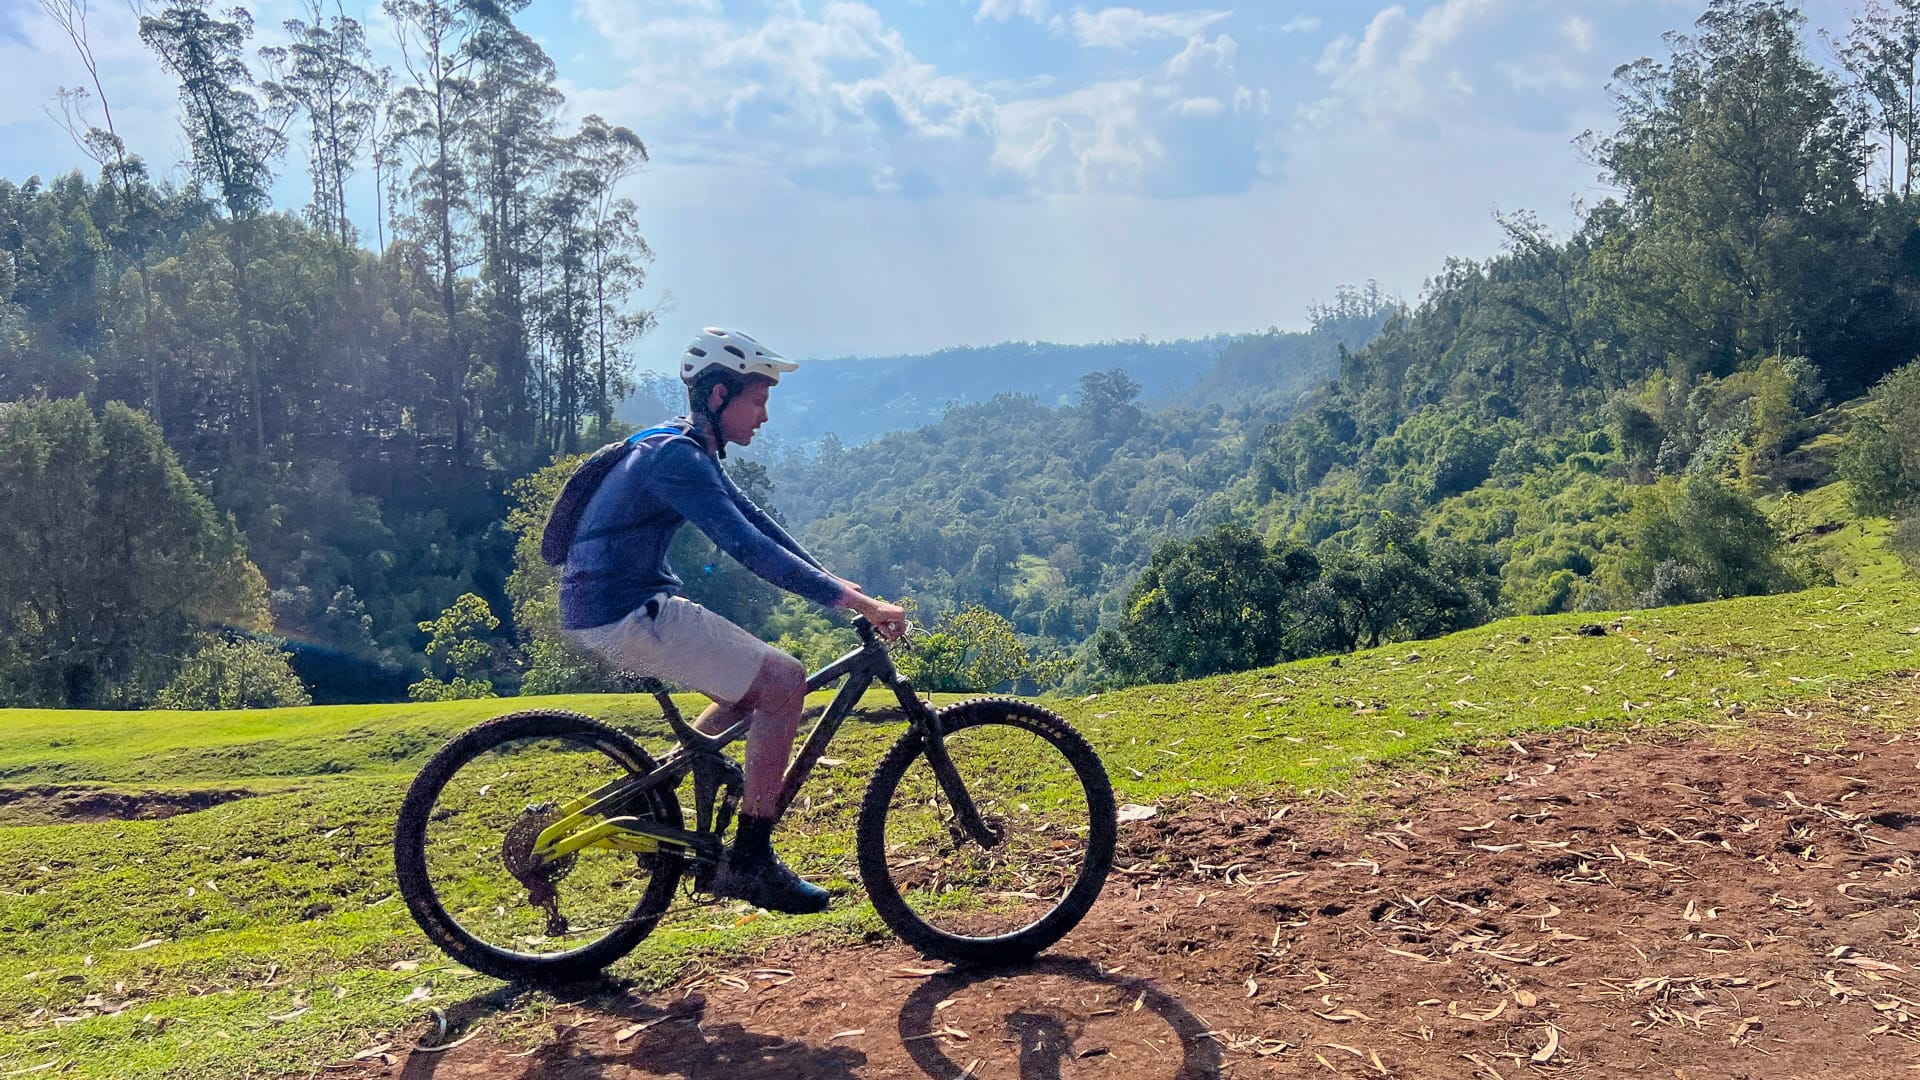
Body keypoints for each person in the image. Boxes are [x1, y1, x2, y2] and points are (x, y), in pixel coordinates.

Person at [558, 327, 906, 915]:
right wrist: (856, 605)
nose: (765, 415)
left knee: (753, 689)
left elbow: (759, 521)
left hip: (611, 607)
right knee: (785, 682)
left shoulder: (683, 446)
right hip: (625, 612)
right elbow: (748, 548)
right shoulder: (678, 458)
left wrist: (835, 583)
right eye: (758, 399)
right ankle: (749, 861)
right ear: (719, 395)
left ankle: (663, 793)